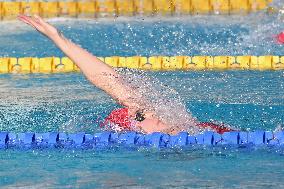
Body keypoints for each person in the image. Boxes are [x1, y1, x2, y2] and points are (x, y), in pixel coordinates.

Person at [18, 14, 233, 135]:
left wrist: (60, 38)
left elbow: (107, 80)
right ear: (134, 128)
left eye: (143, 111)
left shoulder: (207, 131)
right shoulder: (131, 137)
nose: (153, 113)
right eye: (141, 116)